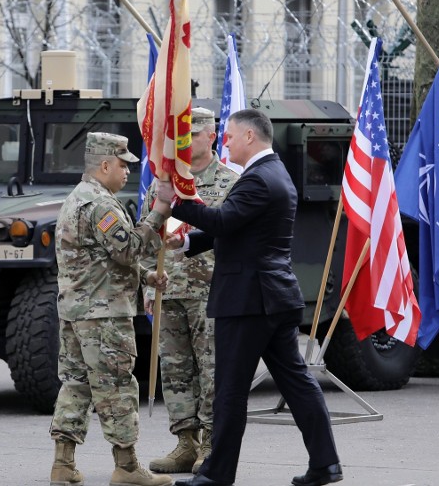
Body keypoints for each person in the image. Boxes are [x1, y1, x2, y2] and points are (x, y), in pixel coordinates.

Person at [170, 109, 341, 486]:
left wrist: (177, 203)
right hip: (272, 296)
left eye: (229, 135)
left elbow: (223, 221)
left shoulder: (259, 179)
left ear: (249, 136)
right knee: (297, 382)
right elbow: (235, 230)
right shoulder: (270, 174)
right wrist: (185, 242)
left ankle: (217, 475)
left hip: (249, 300)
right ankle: (325, 463)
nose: (224, 141)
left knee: (230, 390)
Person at [49, 132, 175, 486]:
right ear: (104, 165)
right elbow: (128, 249)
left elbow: (99, 259)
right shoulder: (100, 204)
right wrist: (159, 212)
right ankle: (127, 466)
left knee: (75, 385)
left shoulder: (78, 198)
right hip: (102, 316)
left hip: (77, 311)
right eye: (122, 165)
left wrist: (146, 276)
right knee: (117, 387)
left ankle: (63, 463)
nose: (126, 173)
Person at [140, 108, 238, 475]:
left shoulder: (228, 183)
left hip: (210, 292)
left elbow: (233, 235)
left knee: (212, 370)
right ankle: (185, 442)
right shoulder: (163, 185)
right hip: (170, 290)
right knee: (175, 370)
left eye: (193, 135)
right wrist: (148, 278)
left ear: (211, 137)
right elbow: (149, 236)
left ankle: (212, 444)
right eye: (181, 137)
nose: (185, 143)